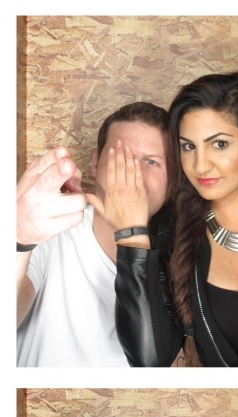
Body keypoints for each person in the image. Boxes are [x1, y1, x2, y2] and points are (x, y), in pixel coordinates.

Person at [108, 72, 238, 367]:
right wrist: (132, 236)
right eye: (189, 147)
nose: (200, 166)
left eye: (219, 144)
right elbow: (150, 361)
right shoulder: (169, 231)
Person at [17, 102, 169, 367]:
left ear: (173, 179)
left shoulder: (182, 259)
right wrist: (18, 238)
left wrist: (131, 232)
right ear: (96, 163)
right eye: (120, 157)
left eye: (151, 162)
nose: (132, 173)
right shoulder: (53, 231)